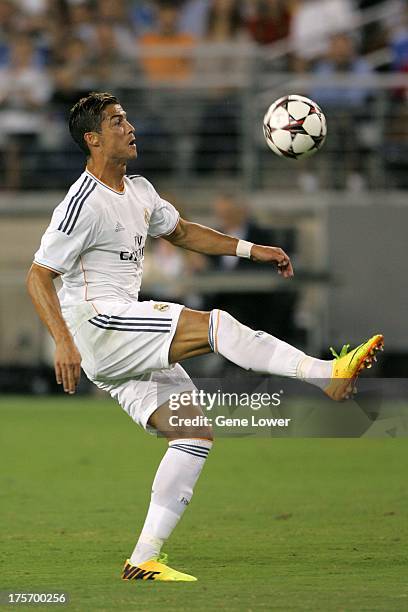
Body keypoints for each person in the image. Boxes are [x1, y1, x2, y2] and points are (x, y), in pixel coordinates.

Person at [26, 92, 383, 582]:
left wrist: (252, 249)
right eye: (116, 122)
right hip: (97, 324)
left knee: (193, 434)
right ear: (92, 139)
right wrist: (63, 341)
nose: (129, 127)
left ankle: (144, 557)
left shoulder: (141, 190)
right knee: (216, 325)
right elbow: (38, 275)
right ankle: (326, 373)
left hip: (118, 335)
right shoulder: (81, 203)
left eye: (127, 118)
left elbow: (185, 233)